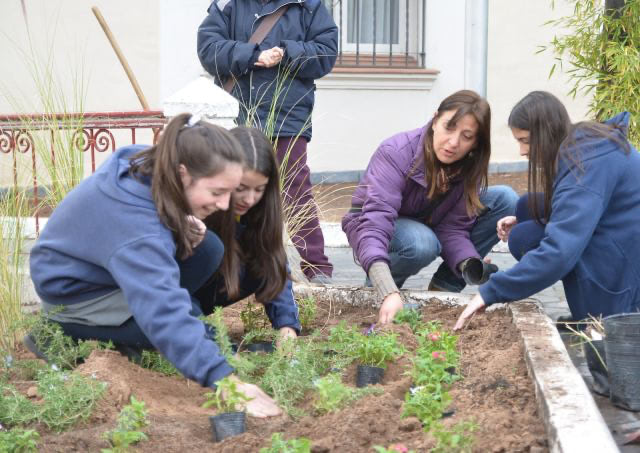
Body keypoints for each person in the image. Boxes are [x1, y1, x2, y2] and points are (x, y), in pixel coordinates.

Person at [28, 113, 281, 417]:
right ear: (183, 174)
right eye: (217, 192)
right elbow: (163, 313)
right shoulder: (139, 231)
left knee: (208, 248)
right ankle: (56, 332)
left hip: (96, 270)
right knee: (167, 329)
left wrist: (179, 220)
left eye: (230, 191)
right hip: (73, 292)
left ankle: (128, 331)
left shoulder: (149, 164)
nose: (225, 205)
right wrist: (226, 381)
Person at [454, 91, 640, 330]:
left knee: (530, 239)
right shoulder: (580, 143)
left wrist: (491, 292)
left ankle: (599, 316)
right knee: (525, 209)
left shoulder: (586, 166)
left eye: (525, 140)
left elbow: (559, 252)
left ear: (546, 132)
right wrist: (533, 215)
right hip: (620, 230)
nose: (522, 151)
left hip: (628, 260)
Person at [341, 90, 518, 324]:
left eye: (466, 136)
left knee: (505, 199)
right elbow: (376, 220)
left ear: (476, 143)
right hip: (371, 222)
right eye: (449, 127)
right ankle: (382, 296)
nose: (453, 143)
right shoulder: (396, 152)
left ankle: (443, 291)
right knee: (422, 243)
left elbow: (453, 228)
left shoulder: (468, 165)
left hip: (427, 223)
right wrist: (386, 288)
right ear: (435, 120)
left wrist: (469, 263)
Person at [197, 0, 339, 284]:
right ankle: (223, 263)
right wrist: (253, 55)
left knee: (295, 186)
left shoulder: (309, 5)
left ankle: (317, 266)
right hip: (237, 115)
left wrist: (286, 52)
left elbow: (326, 53)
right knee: (230, 187)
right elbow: (208, 50)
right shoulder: (228, 4)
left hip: (288, 115)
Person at [197, 126, 300, 343]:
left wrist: (287, 326)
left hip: (216, 290)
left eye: (259, 189)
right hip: (184, 295)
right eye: (241, 188)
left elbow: (275, 265)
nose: (249, 199)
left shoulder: (260, 212)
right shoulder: (202, 207)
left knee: (267, 258)